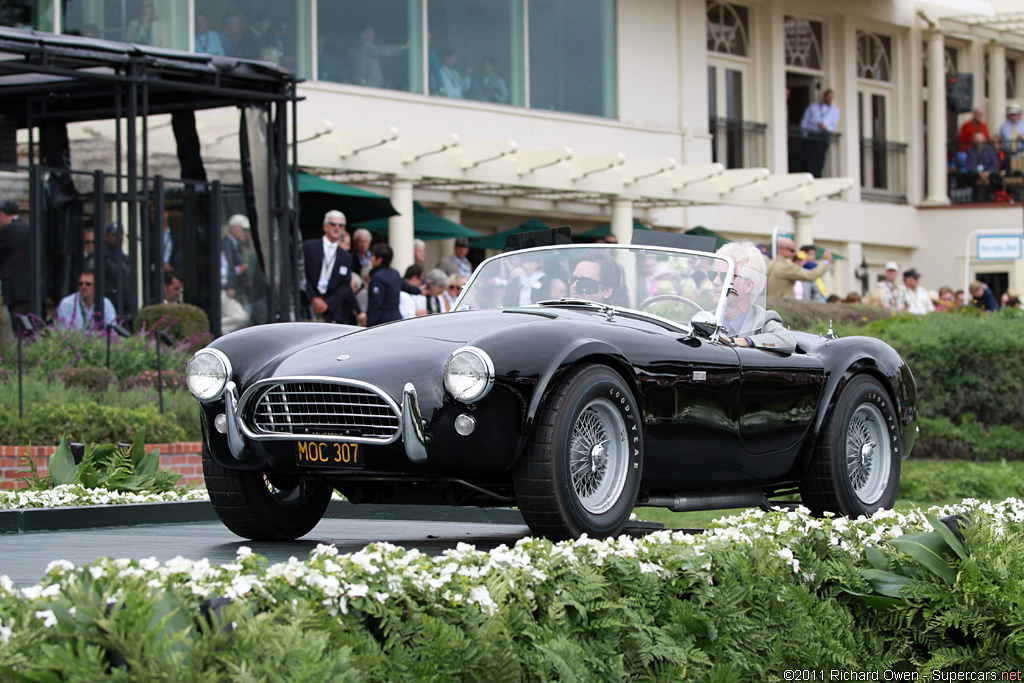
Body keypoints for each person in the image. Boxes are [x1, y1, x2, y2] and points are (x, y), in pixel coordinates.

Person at [713, 240, 797, 354]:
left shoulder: (763, 320)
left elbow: (787, 341)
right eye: (713, 275)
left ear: (748, 286)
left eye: (725, 276)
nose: (715, 282)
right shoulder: (705, 317)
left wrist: (739, 341)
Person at [303, 210, 361, 325]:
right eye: (333, 224)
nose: (337, 228)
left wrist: (327, 303)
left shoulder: (346, 256)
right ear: (325, 227)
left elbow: (345, 285)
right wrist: (313, 298)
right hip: (306, 304)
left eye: (341, 225)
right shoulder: (309, 246)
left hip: (331, 310)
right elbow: (301, 274)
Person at [365, 243, 423, 326]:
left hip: (382, 323)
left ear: (380, 259)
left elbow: (376, 304)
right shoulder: (394, 273)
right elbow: (406, 286)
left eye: (373, 256)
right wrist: (419, 291)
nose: (371, 258)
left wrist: (369, 325)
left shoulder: (378, 278)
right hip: (396, 320)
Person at [765, 236, 832, 299]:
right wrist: (826, 262)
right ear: (783, 250)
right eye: (792, 250)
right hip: (783, 306)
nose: (794, 254)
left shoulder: (770, 263)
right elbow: (810, 275)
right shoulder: (786, 265)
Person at [0, 199, 32, 320]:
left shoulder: (7, 231)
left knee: (20, 331)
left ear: (1, 214)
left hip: (17, 293)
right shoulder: (29, 228)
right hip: (35, 291)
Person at [799, 88, 839, 177]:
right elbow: (805, 121)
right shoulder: (813, 107)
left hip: (823, 135)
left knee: (820, 157)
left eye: (831, 97)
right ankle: (811, 175)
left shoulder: (835, 110)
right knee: (810, 157)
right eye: (828, 96)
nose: (829, 98)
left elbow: (834, 124)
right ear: (824, 96)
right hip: (812, 134)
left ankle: (818, 175)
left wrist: (826, 128)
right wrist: (805, 135)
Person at [99, 221, 133, 314]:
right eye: (114, 235)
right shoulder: (100, 257)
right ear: (106, 237)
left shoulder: (124, 258)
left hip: (125, 307)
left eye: (120, 234)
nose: (117, 238)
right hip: (109, 306)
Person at [963, 132, 1003, 202]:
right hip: (976, 174)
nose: (980, 142)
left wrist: (988, 172)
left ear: (984, 140)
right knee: (969, 176)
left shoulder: (990, 150)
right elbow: (970, 165)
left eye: (981, 140)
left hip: (988, 173)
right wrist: (978, 173)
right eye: (978, 140)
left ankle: (990, 197)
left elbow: (995, 163)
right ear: (974, 141)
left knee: (995, 177)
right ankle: (975, 199)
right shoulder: (971, 151)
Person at [220, 214, 250, 300]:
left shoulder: (237, 246)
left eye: (247, 230)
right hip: (227, 292)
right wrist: (239, 269)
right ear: (234, 228)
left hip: (237, 291)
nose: (246, 233)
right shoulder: (225, 245)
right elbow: (223, 270)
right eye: (243, 229)